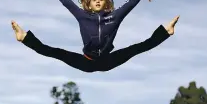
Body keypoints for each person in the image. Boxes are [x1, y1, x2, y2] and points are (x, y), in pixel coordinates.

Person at [11, 15, 179, 72]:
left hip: (106, 61)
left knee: (135, 48)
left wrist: (164, 31)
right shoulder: (88, 18)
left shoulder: (108, 18)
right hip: (87, 62)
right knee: (56, 52)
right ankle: (24, 37)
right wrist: (25, 38)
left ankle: (166, 32)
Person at [41, 0, 154, 59]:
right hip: (87, 59)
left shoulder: (114, 16)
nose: (98, 1)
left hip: (106, 58)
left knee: (136, 48)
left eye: (101, 0)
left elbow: (128, 5)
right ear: (89, 5)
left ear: (106, 4)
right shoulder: (82, 15)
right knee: (58, 53)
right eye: (94, 0)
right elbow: (67, 2)